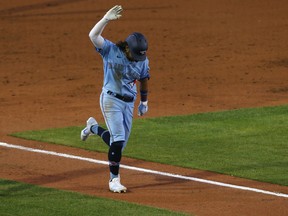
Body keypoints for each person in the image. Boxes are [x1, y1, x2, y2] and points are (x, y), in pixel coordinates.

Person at [80, 5, 150, 193]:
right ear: (127, 47)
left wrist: (144, 101)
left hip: (129, 103)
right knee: (118, 141)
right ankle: (114, 180)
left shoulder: (143, 60)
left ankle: (92, 127)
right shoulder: (110, 50)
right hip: (111, 100)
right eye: (135, 55)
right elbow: (93, 36)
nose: (137, 59)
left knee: (118, 143)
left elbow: (144, 79)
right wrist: (106, 19)